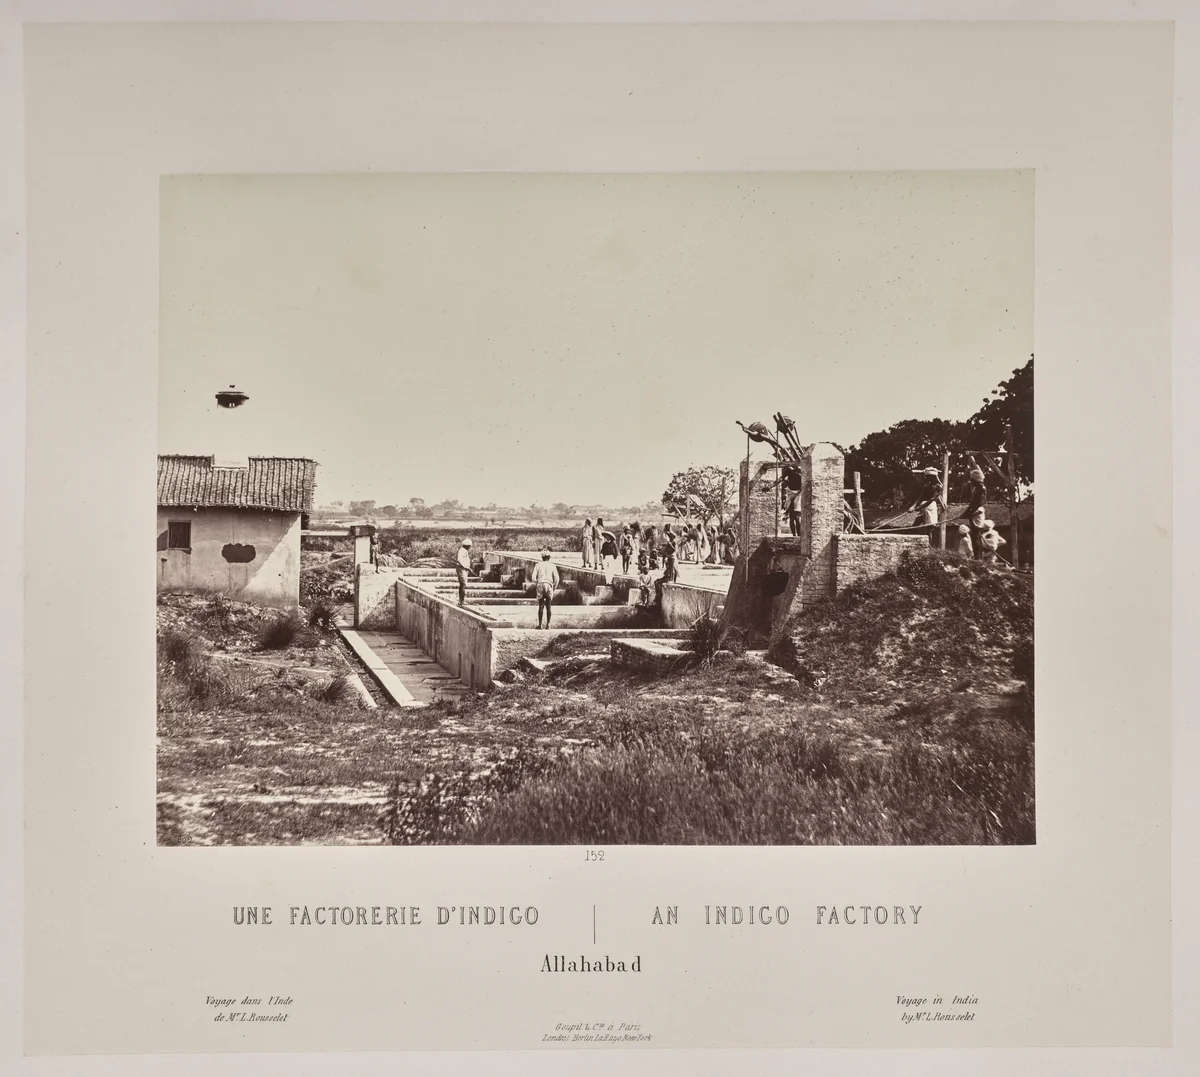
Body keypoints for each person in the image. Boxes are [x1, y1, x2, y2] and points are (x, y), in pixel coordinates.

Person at [909, 466, 945, 547]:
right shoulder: (926, 486)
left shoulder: (938, 486)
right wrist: (913, 506)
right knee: (914, 526)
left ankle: (929, 547)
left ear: (932, 477)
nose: (926, 478)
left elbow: (932, 499)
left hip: (931, 507)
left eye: (928, 476)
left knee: (930, 529)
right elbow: (919, 497)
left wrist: (919, 507)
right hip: (923, 507)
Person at [530, 549, 560, 629]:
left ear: (542, 557)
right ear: (549, 557)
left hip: (541, 584)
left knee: (541, 606)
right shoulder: (553, 566)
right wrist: (554, 587)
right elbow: (557, 578)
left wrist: (537, 583)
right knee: (548, 606)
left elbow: (533, 577)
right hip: (549, 584)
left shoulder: (538, 565)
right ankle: (548, 624)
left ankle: (540, 625)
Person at [965, 458, 988, 559]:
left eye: (972, 479)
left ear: (975, 480)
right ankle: (977, 557)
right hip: (975, 511)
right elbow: (972, 504)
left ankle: (978, 558)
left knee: (976, 536)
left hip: (978, 512)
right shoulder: (977, 488)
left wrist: (970, 513)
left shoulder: (981, 488)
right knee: (974, 535)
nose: (971, 481)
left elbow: (977, 503)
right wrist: (966, 512)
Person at [455, 538, 474, 606]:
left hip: (462, 569)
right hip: (461, 569)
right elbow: (460, 560)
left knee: (462, 585)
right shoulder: (462, 551)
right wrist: (467, 567)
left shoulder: (463, 550)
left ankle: (461, 601)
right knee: (463, 585)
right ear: (467, 546)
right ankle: (461, 601)